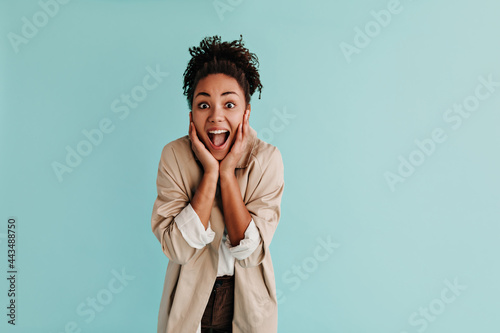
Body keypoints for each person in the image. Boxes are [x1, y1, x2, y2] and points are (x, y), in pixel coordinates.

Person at [151, 35, 284, 333]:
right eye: (203, 105)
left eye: (229, 104)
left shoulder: (267, 159)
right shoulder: (174, 156)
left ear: (246, 113)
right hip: (189, 302)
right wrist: (211, 173)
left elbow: (250, 254)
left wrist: (227, 175)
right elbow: (178, 250)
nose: (216, 116)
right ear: (191, 116)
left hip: (246, 301)